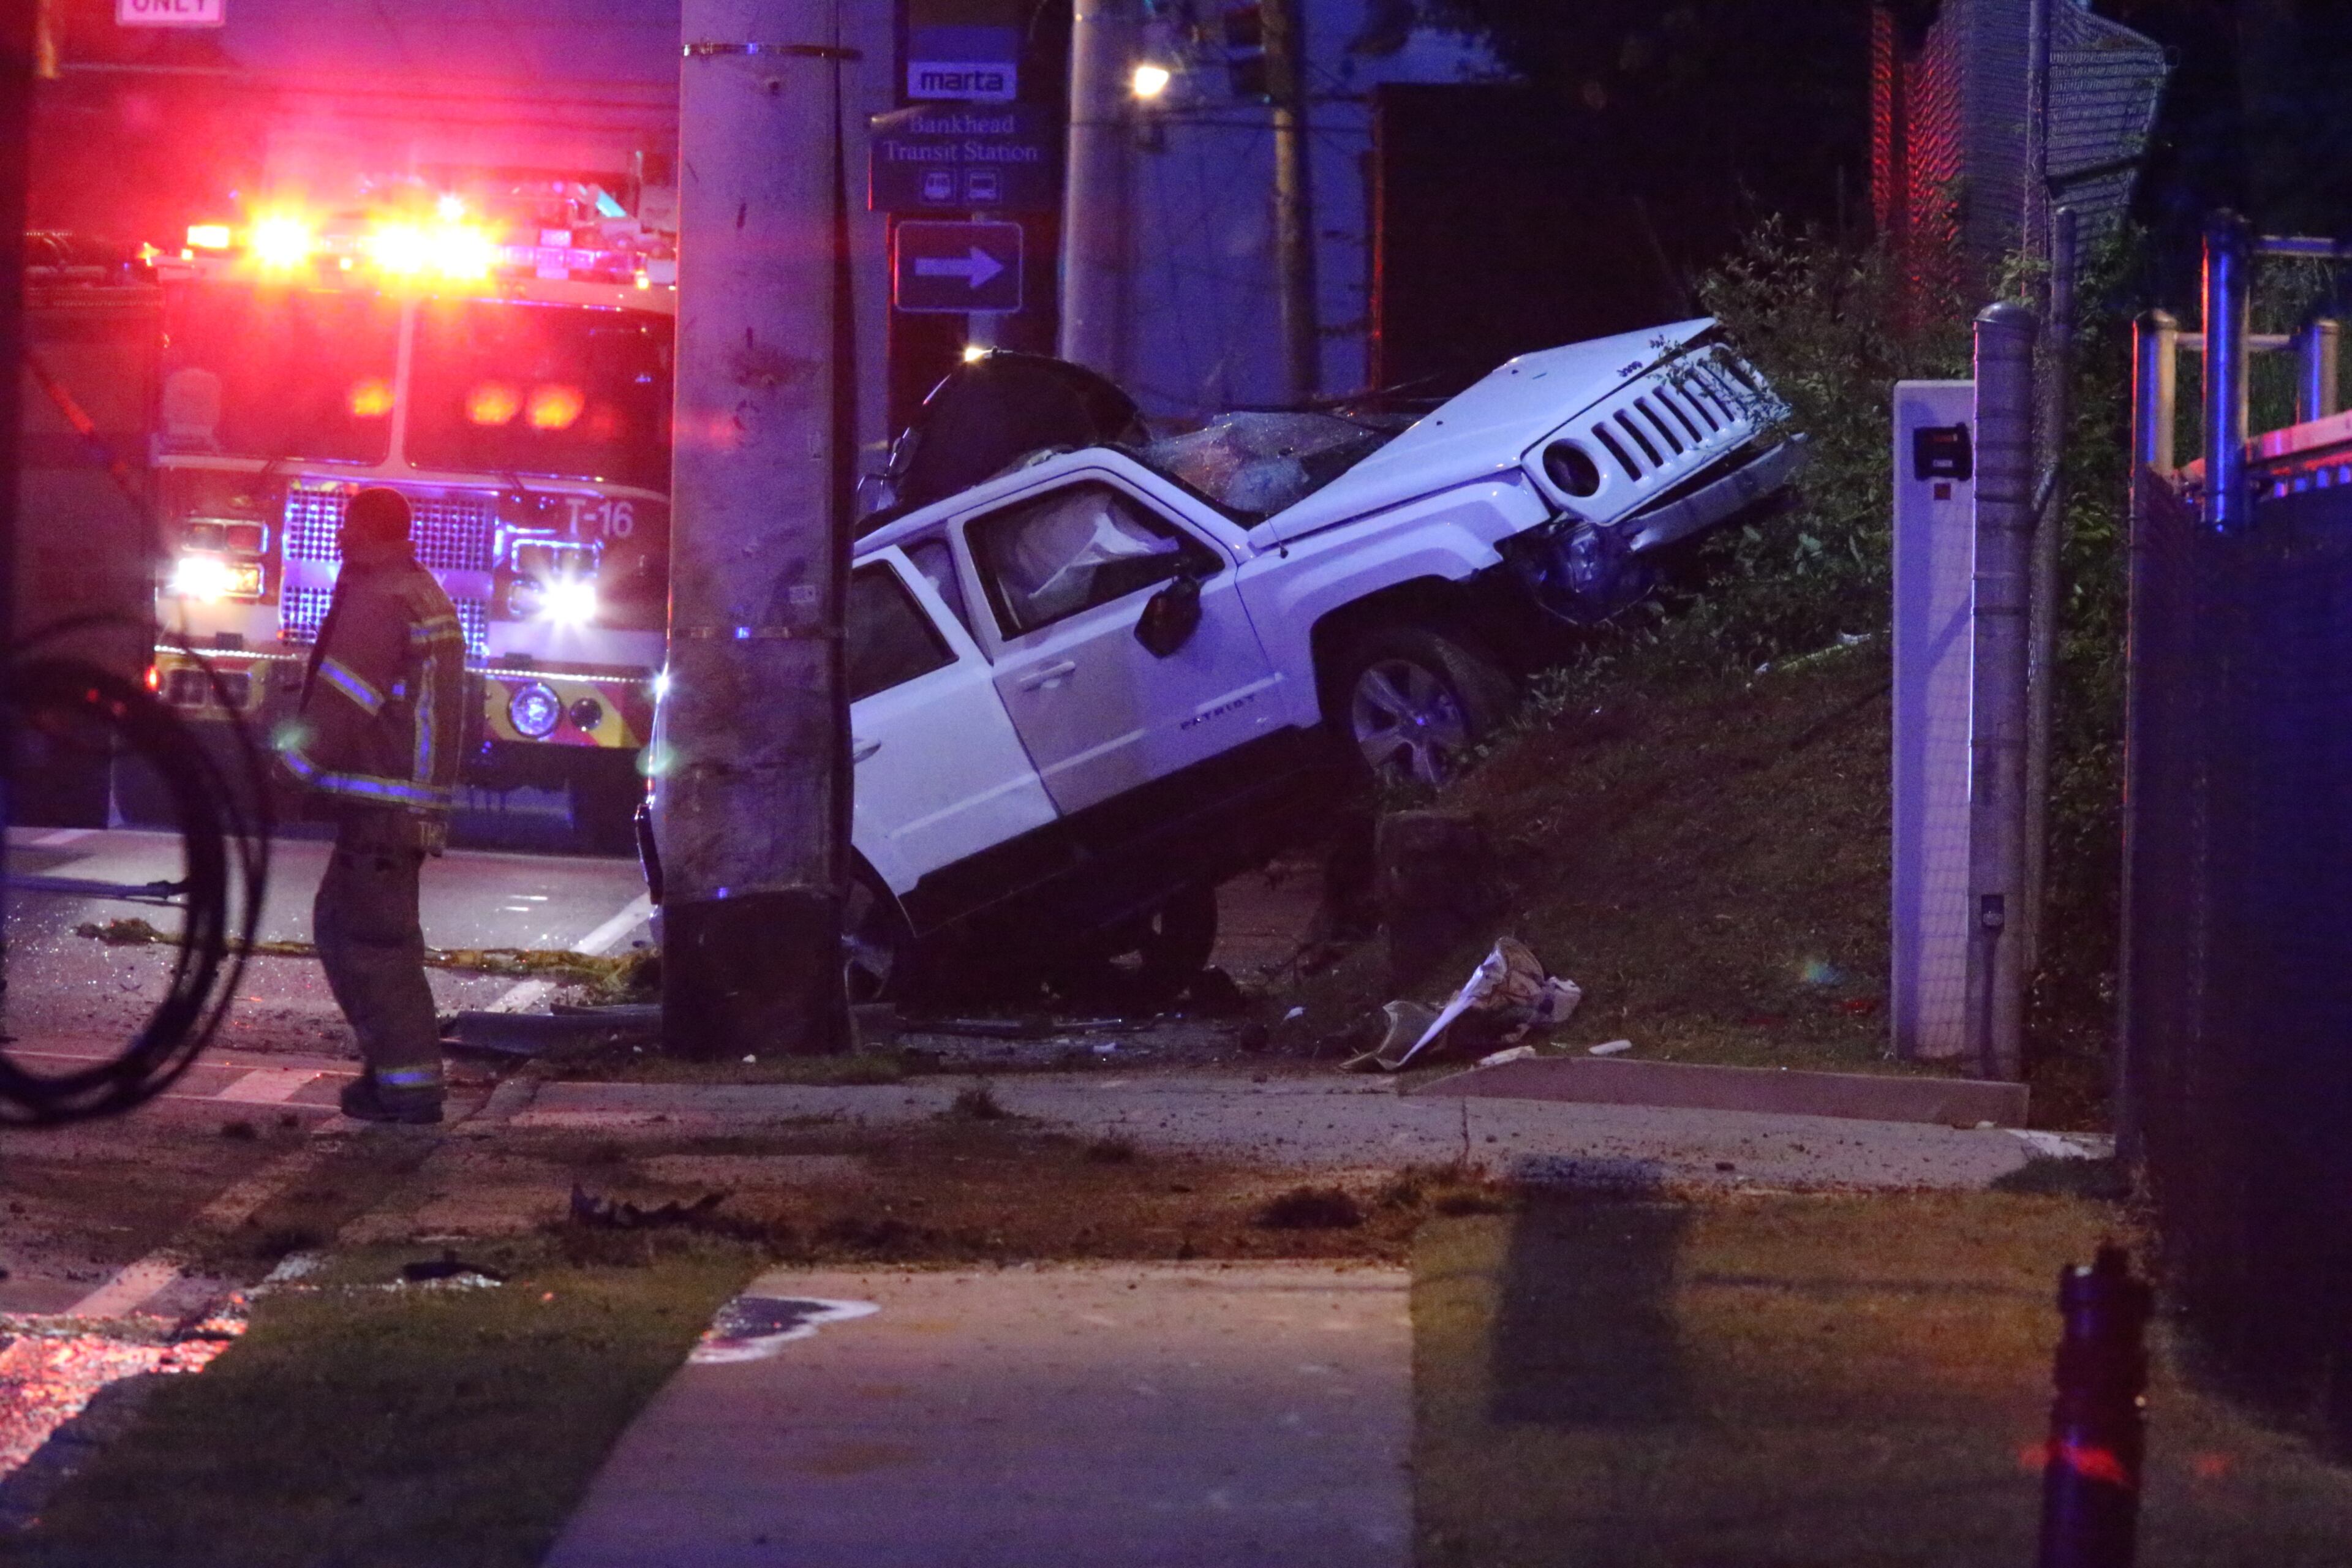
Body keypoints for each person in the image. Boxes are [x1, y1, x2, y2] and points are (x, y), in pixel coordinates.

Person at [278, 487, 466, 1123]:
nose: (338, 537)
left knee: (374, 946)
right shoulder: (414, 590)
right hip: (393, 805)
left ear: (363, 528)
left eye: (345, 525)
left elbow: (342, 703)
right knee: (343, 928)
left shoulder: (382, 599)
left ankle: (408, 1091)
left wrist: (287, 772)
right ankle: (389, 1071)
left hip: (383, 806)